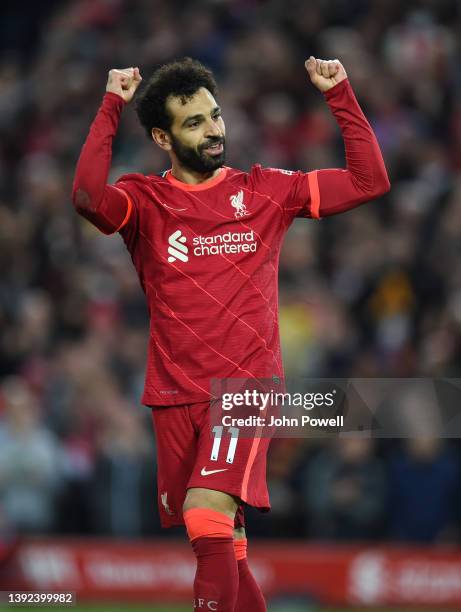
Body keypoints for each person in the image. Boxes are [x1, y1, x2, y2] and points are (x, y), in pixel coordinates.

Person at [72, 56, 390, 611]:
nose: (215, 129)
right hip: (174, 396)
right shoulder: (145, 201)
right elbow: (86, 199)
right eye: (194, 122)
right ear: (161, 136)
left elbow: (370, 180)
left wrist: (340, 92)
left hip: (245, 389)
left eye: (215, 115)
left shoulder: (266, 190)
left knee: (204, 514)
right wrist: (110, 105)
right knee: (223, 545)